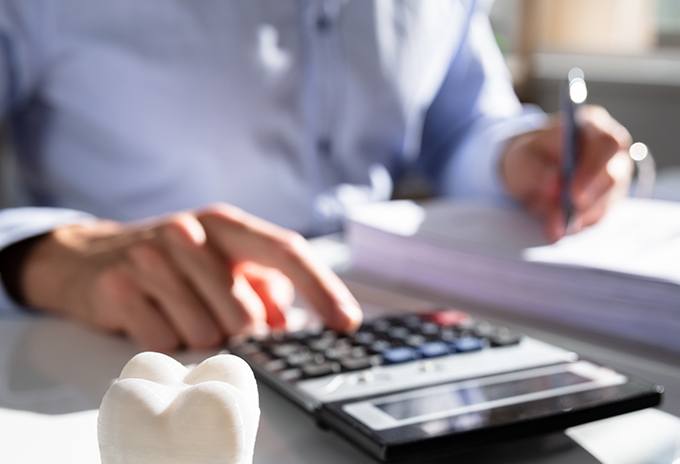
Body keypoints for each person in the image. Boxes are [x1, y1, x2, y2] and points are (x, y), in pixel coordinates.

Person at [0, 0, 632, 351]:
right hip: (123, 347)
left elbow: (460, 128)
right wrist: (43, 256)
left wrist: (519, 156)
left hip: (388, 326)